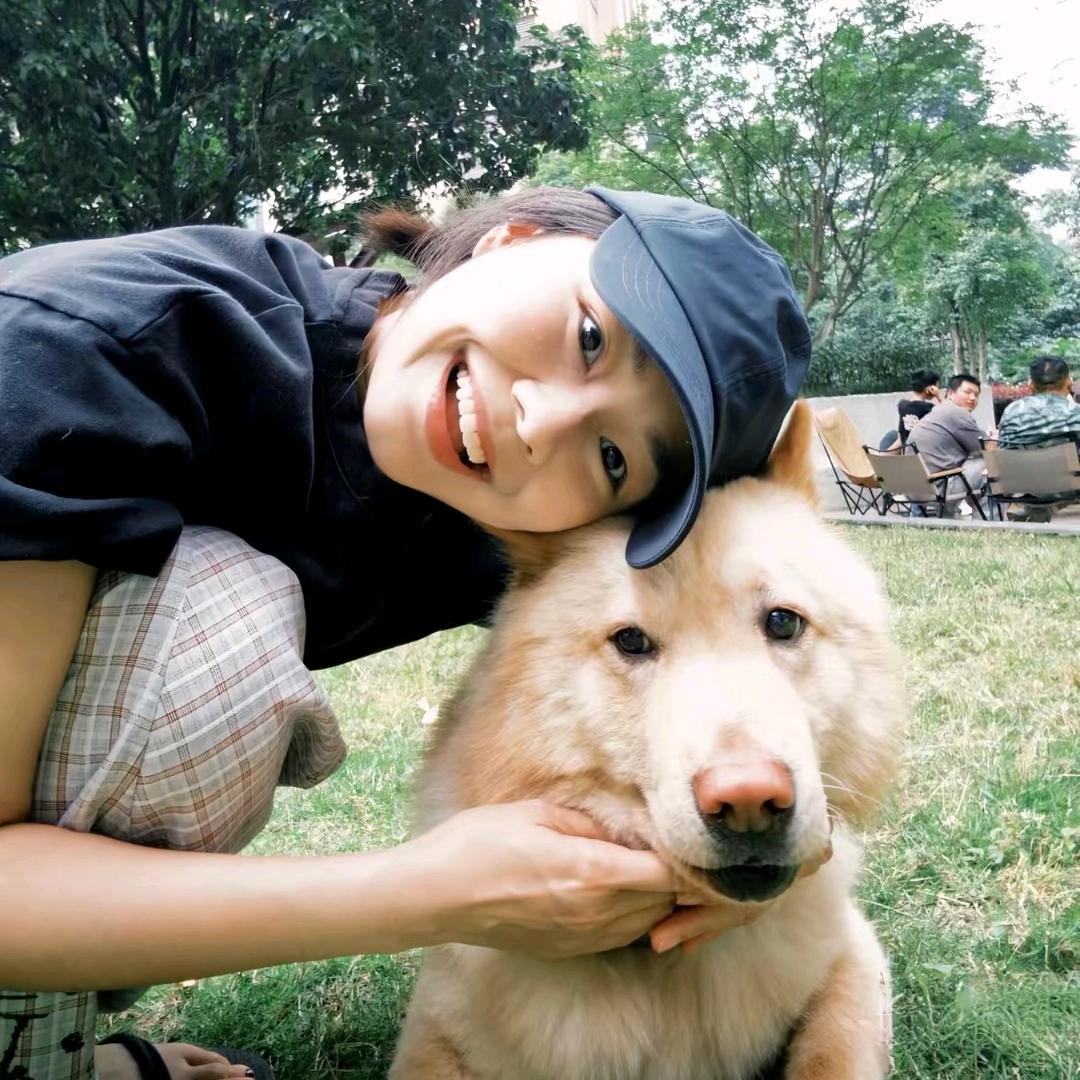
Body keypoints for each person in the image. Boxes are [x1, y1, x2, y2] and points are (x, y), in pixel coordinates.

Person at [0, 187, 813, 1080]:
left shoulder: (504, 508)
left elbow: (712, 643)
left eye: (613, 456)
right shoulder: (83, 349)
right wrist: (427, 891)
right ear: (511, 239)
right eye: (591, 337)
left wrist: (761, 850)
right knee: (225, 621)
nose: (538, 424)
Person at [907, 372, 995, 515]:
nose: (973, 398)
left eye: (976, 394)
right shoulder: (957, 413)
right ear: (950, 393)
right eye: (967, 392)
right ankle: (988, 525)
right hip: (940, 488)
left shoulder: (937, 412)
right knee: (990, 465)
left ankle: (950, 520)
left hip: (915, 491)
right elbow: (987, 448)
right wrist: (995, 439)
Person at [997, 356, 1080, 450]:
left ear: (1031, 385)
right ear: (1069, 383)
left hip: (1020, 464)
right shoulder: (1076, 413)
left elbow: (1002, 454)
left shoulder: (1011, 411)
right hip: (1069, 464)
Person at [896, 369, 942, 446]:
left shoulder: (902, 405)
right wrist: (939, 396)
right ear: (930, 388)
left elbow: (901, 438)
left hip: (908, 454)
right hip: (924, 454)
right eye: (937, 387)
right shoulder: (928, 408)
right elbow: (949, 414)